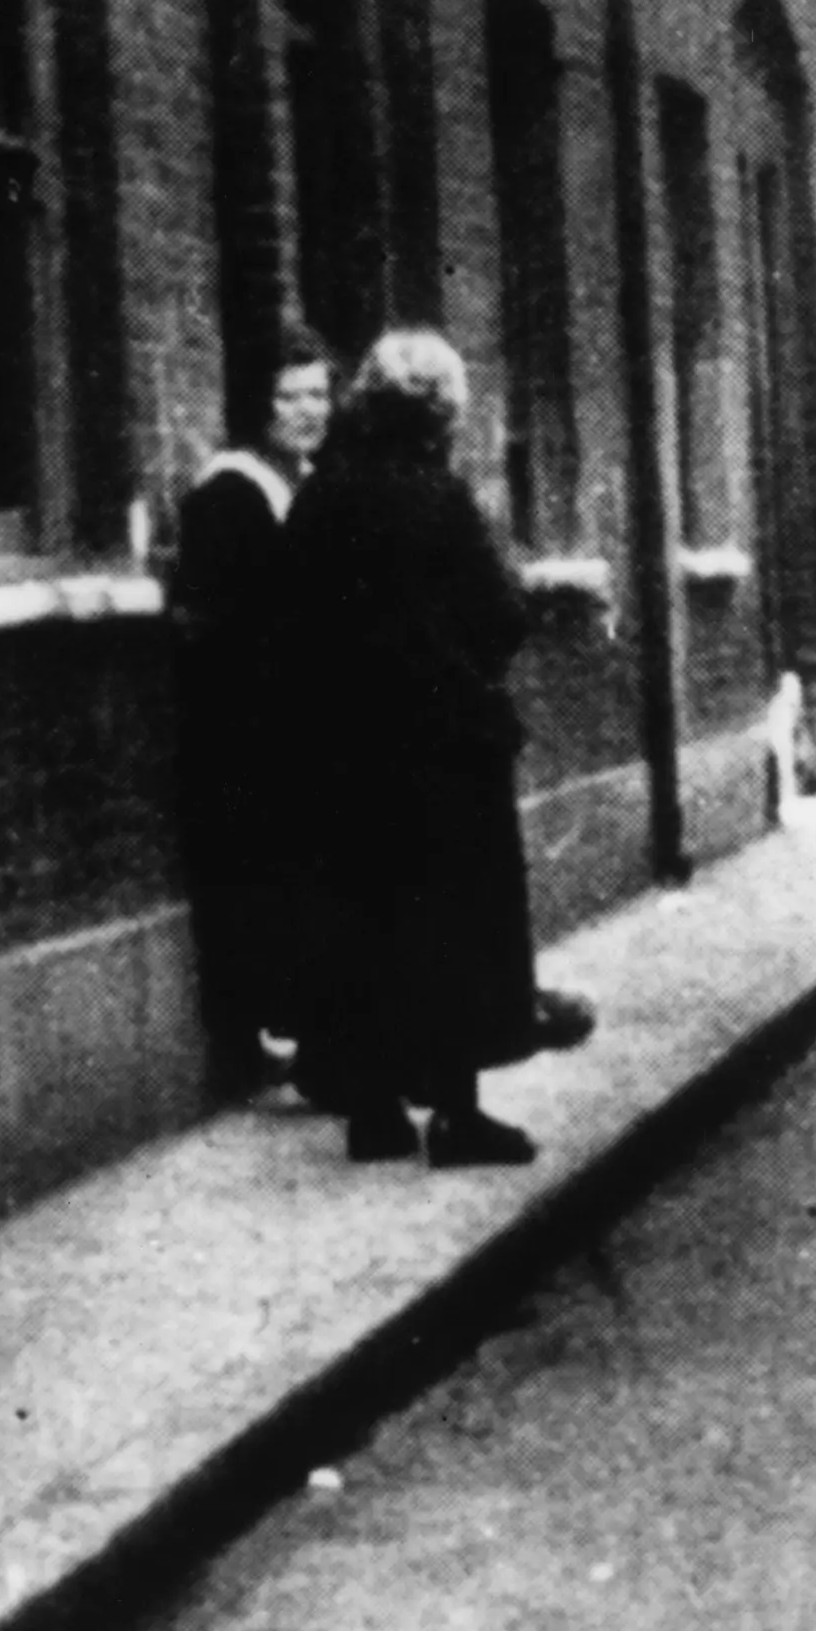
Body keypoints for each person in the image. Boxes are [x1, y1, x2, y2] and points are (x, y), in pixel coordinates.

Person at [279, 329, 545, 1169]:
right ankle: (457, 1117)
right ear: (440, 412)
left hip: (341, 752)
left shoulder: (322, 495)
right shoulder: (439, 497)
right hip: (443, 753)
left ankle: (374, 1112)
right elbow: (500, 615)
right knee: (455, 926)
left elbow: (289, 626)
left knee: (361, 919)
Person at [168, 322, 336, 1095]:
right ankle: (273, 1034)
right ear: (258, 406)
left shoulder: (306, 485)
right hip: (254, 737)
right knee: (265, 887)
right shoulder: (230, 495)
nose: (309, 410)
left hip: (303, 732)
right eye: (289, 395)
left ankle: (315, 1030)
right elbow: (232, 629)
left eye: (318, 393)